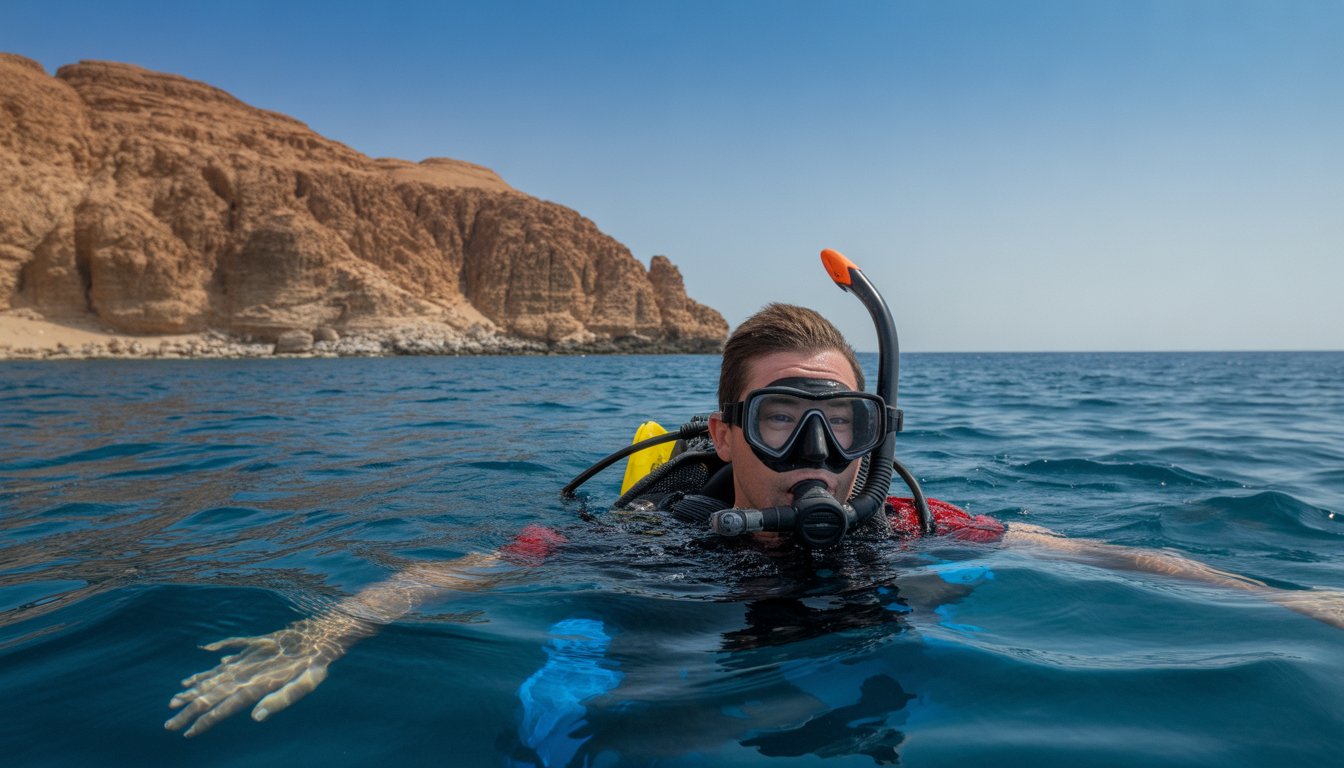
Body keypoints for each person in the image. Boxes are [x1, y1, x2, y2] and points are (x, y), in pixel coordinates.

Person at [165, 303, 1344, 738]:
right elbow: (450, 575)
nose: (819, 456)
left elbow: (1098, 554)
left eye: (844, 422)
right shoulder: (647, 529)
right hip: (675, 631)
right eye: (784, 421)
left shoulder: (911, 518)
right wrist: (320, 633)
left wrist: (1290, 605)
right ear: (723, 433)